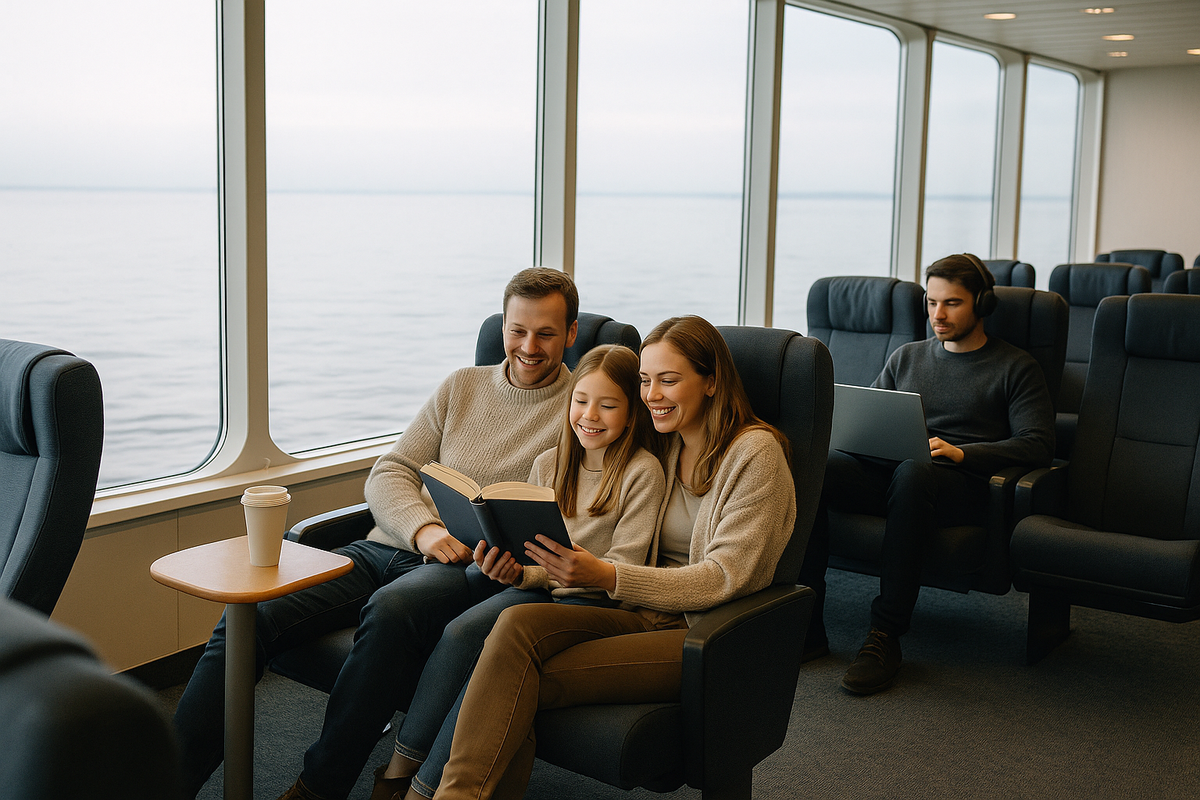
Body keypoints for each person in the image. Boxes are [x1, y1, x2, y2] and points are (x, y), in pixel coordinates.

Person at [173, 267, 580, 800]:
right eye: (517, 330)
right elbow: (389, 472)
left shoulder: (583, 411)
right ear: (502, 326)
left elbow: (572, 516)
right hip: (390, 546)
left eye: (545, 333)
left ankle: (319, 788)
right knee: (250, 617)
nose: (527, 346)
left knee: (389, 610)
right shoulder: (462, 386)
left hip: (470, 571)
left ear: (571, 334)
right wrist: (425, 529)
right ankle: (169, 779)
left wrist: (475, 551)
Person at [431, 315, 798, 800]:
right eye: (646, 381)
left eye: (669, 380)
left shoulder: (755, 454)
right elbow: (586, 465)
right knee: (515, 625)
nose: (652, 395)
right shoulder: (663, 444)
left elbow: (721, 578)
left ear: (712, 382)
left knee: (515, 679)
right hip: (637, 613)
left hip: (702, 631)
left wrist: (605, 573)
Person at [370, 344, 666, 800]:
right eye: (581, 401)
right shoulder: (550, 462)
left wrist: (569, 572)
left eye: (608, 405)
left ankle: (424, 790)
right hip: (540, 590)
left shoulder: (642, 472)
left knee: (486, 642)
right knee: (460, 632)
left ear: (632, 413)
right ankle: (396, 771)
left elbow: (624, 568)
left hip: (593, 600)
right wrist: (511, 570)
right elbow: (529, 555)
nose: (590, 415)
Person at [799, 253, 1055, 696]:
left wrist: (962, 452)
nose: (938, 314)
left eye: (951, 303)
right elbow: (868, 418)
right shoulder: (907, 356)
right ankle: (806, 625)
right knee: (815, 468)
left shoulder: (1015, 366)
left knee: (915, 473)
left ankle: (884, 637)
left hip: (959, 483)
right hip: (894, 473)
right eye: (932, 303)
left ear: (982, 303)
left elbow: (1038, 443)